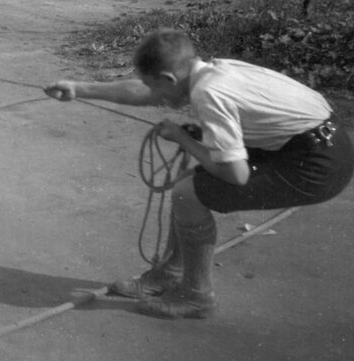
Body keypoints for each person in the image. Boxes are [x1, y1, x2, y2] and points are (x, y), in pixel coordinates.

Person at [44, 28, 353, 319]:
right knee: (191, 181)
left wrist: (183, 138)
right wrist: (79, 88)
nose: (156, 95)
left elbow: (236, 176)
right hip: (324, 142)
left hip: (316, 165)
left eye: (157, 86)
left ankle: (195, 297)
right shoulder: (212, 70)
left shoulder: (208, 93)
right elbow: (147, 91)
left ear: (168, 76)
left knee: (187, 193)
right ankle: (169, 274)